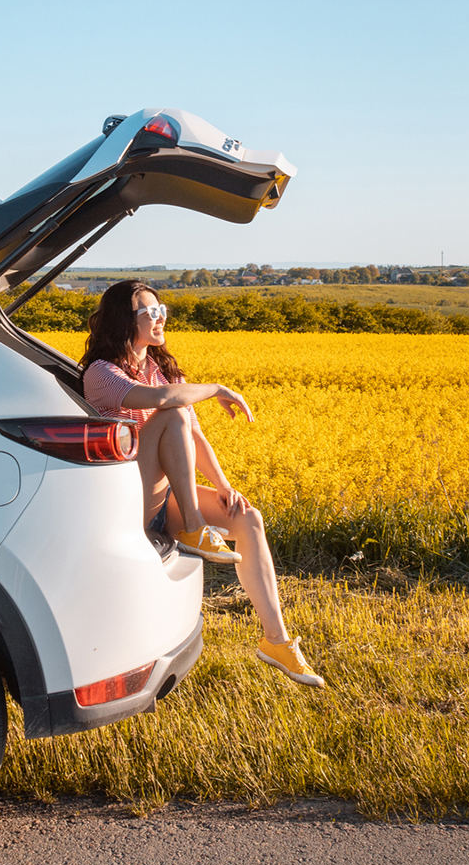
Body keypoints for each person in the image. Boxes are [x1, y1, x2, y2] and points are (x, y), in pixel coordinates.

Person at [80, 280, 324, 688]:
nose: (160, 318)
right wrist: (218, 389)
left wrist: (224, 485)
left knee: (248, 518)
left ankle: (277, 641)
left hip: (161, 498)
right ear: (125, 320)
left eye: (162, 311)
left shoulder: (161, 370)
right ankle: (194, 527)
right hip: (125, 498)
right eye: (149, 313)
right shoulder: (102, 373)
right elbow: (164, 403)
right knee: (172, 411)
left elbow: (194, 435)